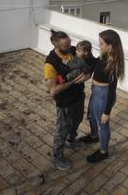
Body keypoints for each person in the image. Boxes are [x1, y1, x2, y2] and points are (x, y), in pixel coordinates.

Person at [44, 30, 89, 170]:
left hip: (78, 96)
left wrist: (87, 74)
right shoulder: (50, 64)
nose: (70, 47)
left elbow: (88, 65)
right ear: (57, 46)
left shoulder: (73, 50)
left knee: (77, 120)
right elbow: (53, 90)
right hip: (64, 102)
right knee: (61, 129)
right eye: (66, 45)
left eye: (70, 42)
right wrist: (73, 81)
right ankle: (57, 155)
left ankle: (71, 139)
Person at [84, 29, 125, 163]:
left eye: (102, 44)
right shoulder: (103, 55)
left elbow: (112, 90)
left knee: (103, 125)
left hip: (104, 95)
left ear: (110, 45)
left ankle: (103, 152)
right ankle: (94, 136)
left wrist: (107, 112)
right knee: (91, 116)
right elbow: (94, 63)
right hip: (96, 91)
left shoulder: (114, 64)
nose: (99, 46)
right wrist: (82, 51)